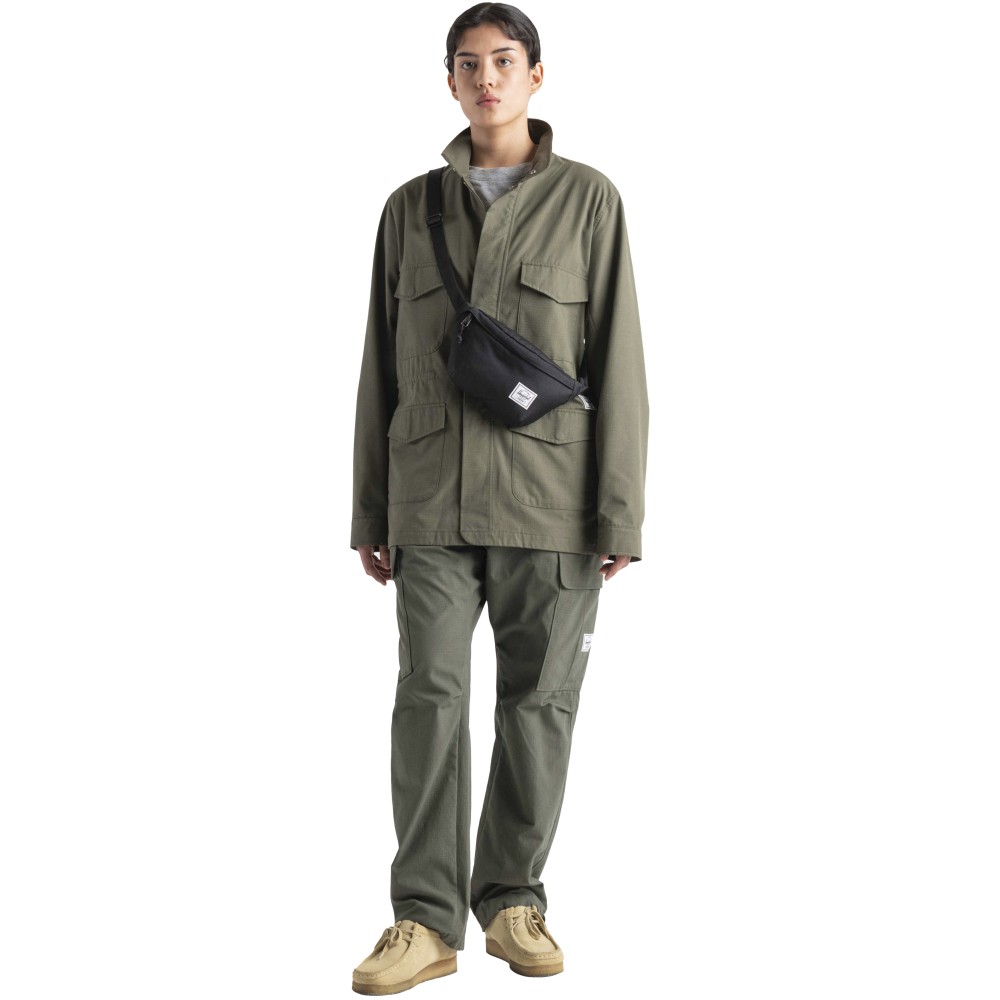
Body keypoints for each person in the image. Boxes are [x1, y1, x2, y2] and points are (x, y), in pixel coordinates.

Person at [349, 3, 648, 994]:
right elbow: (378, 367)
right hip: (430, 500)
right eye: (469, 64)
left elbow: (620, 360)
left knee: (540, 707)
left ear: (535, 76)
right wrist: (370, 510)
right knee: (427, 701)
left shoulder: (589, 202)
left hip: (552, 502)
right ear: (449, 81)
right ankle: (423, 920)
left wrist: (619, 510)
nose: (487, 80)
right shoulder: (409, 210)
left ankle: (513, 899)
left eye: (504, 62)